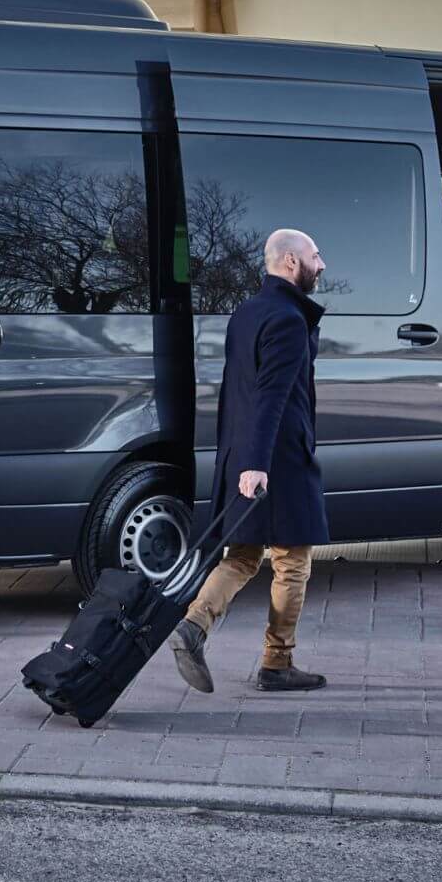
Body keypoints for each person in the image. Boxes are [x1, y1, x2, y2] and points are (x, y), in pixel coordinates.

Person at [171, 229, 329, 693]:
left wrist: (237, 458)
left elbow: (234, 395)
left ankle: (193, 625)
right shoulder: (287, 319)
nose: (322, 265)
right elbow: (270, 396)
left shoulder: (247, 312)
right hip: (276, 458)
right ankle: (276, 663)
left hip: (245, 451)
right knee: (293, 562)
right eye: (315, 256)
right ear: (290, 262)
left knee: (241, 555)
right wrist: (257, 464)